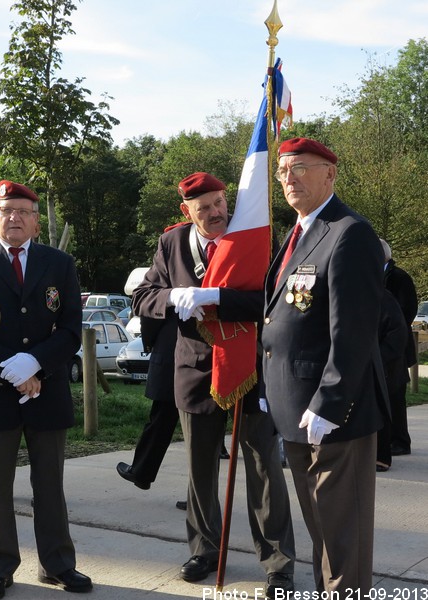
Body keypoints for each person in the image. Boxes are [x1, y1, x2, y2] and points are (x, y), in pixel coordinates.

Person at [132, 172, 295, 598]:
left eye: (219, 202)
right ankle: (204, 550)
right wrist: (172, 299)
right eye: (203, 207)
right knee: (199, 469)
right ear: (187, 211)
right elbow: (142, 296)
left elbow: (272, 299)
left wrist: (217, 299)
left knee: (263, 469)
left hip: (249, 369)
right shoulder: (172, 243)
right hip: (195, 370)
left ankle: (277, 562)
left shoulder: (253, 236)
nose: (215, 212)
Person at [0, 180, 92, 599]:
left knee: (50, 483)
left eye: (24, 211)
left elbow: (69, 327)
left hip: (45, 390)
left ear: (36, 221)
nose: (15, 217)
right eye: (6, 210)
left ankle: (58, 564)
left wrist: (36, 365)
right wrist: (11, 370)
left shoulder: (59, 263)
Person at [261, 137, 387, 594]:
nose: (288, 178)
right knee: (322, 534)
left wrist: (329, 402)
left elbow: (352, 332)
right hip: (294, 409)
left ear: (330, 173)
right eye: (282, 171)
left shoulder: (349, 232)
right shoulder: (299, 234)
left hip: (333, 414)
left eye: (299, 168)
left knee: (343, 539)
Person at [115, 312, 180, 490]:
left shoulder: (166, 283)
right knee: (202, 430)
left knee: (161, 420)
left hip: (173, 353)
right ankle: (202, 499)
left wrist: (150, 341)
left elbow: (150, 312)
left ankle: (142, 471)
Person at [380, 238, 417, 455]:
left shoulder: (399, 277)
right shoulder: (374, 275)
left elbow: (408, 310)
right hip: (383, 344)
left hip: (397, 347)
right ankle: (389, 438)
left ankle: (400, 441)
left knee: (396, 395)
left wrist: (391, 332)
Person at [376, 290, 410, 471]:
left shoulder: (384, 298)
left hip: (386, 367)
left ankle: (381, 458)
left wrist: (377, 358)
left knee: (383, 411)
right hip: (369, 365)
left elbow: (397, 333)